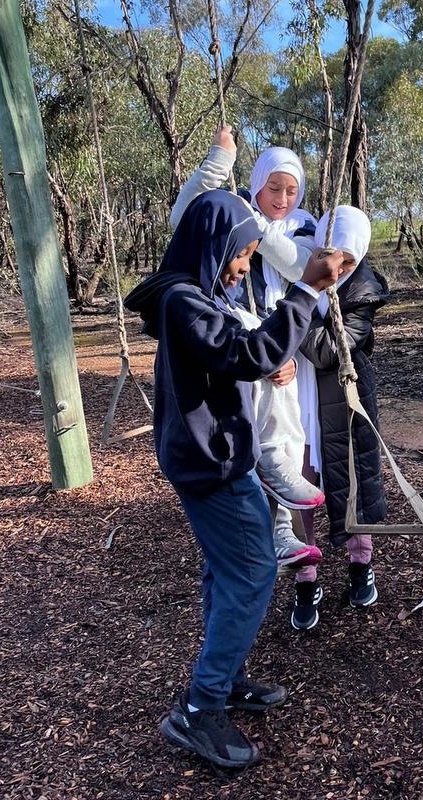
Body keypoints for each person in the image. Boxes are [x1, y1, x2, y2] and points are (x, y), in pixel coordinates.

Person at [124, 189, 345, 767]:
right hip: (209, 464)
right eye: (242, 252)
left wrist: (283, 328)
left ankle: (227, 676)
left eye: (250, 254)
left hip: (219, 455)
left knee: (228, 568)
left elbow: (247, 350)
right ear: (214, 243)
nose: (244, 265)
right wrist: (304, 291)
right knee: (253, 570)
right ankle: (199, 708)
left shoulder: (193, 298)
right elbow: (248, 355)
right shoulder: (182, 302)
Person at [170, 127, 323, 570]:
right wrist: (218, 161)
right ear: (256, 182)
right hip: (238, 338)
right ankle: (261, 533)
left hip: (283, 344)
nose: (281, 199)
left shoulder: (304, 226)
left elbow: (299, 264)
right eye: (273, 188)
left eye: (291, 190)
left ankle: (280, 533)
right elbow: (184, 216)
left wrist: (260, 224)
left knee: (284, 425)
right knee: (253, 436)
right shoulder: (230, 213)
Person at [290, 206, 389, 631]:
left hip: (344, 398)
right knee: (300, 485)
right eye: (333, 259)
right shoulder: (299, 269)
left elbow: (333, 351)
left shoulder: (363, 290)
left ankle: (359, 565)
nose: (339, 270)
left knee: (352, 480)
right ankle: (306, 580)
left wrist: (293, 309)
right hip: (297, 398)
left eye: (348, 261)